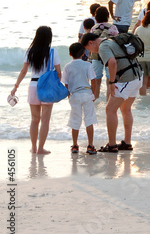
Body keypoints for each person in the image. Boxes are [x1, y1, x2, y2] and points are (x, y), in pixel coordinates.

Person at [81, 32, 143, 152]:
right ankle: (127, 142)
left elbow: (112, 62)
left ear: (91, 43)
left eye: (88, 49)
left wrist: (112, 82)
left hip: (127, 79)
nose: (90, 53)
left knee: (110, 109)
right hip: (137, 76)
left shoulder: (103, 46)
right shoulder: (111, 40)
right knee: (126, 109)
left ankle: (112, 144)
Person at [10, 26, 61, 155]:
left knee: (34, 119)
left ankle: (33, 148)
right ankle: (40, 148)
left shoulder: (30, 51)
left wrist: (15, 87)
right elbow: (59, 73)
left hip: (33, 85)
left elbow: (23, 71)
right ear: (49, 37)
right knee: (45, 120)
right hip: (47, 88)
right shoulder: (53, 52)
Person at [62, 42, 97, 155]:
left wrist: (68, 93)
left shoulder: (67, 66)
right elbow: (93, 80)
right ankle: (90, 145)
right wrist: (94, 93)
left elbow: (65, 83)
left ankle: (75, 145)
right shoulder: (87, 65)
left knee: (75, 120)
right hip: (86, 92)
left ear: (69, 54)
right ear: (83, 53)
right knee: (89, 120)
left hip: (74, 94)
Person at [90, 6, 119, 99]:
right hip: (109, 56)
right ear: (107, 16)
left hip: (95, 56)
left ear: (96, 16)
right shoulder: (113, 27)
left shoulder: (93, 28)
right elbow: (117, 42)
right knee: (109, 81)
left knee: (97, 81)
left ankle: (95, 102)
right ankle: (108, 102)